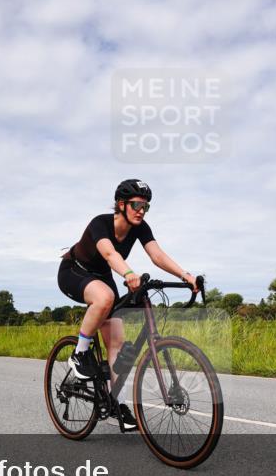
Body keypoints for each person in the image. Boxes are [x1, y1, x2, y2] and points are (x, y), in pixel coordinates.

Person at [58, 179, 198, 430]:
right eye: (136, 205)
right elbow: (111, 254)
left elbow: (157, 255)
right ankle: (79, 353)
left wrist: (184, 275)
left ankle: (116, 401)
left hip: (103, 277)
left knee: (118, 343)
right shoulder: (100, 223)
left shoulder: (140, 227)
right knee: (105, 297)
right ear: (121, 204)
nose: (141, 211)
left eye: (146, 206)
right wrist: (128, 273)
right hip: (74, 271)